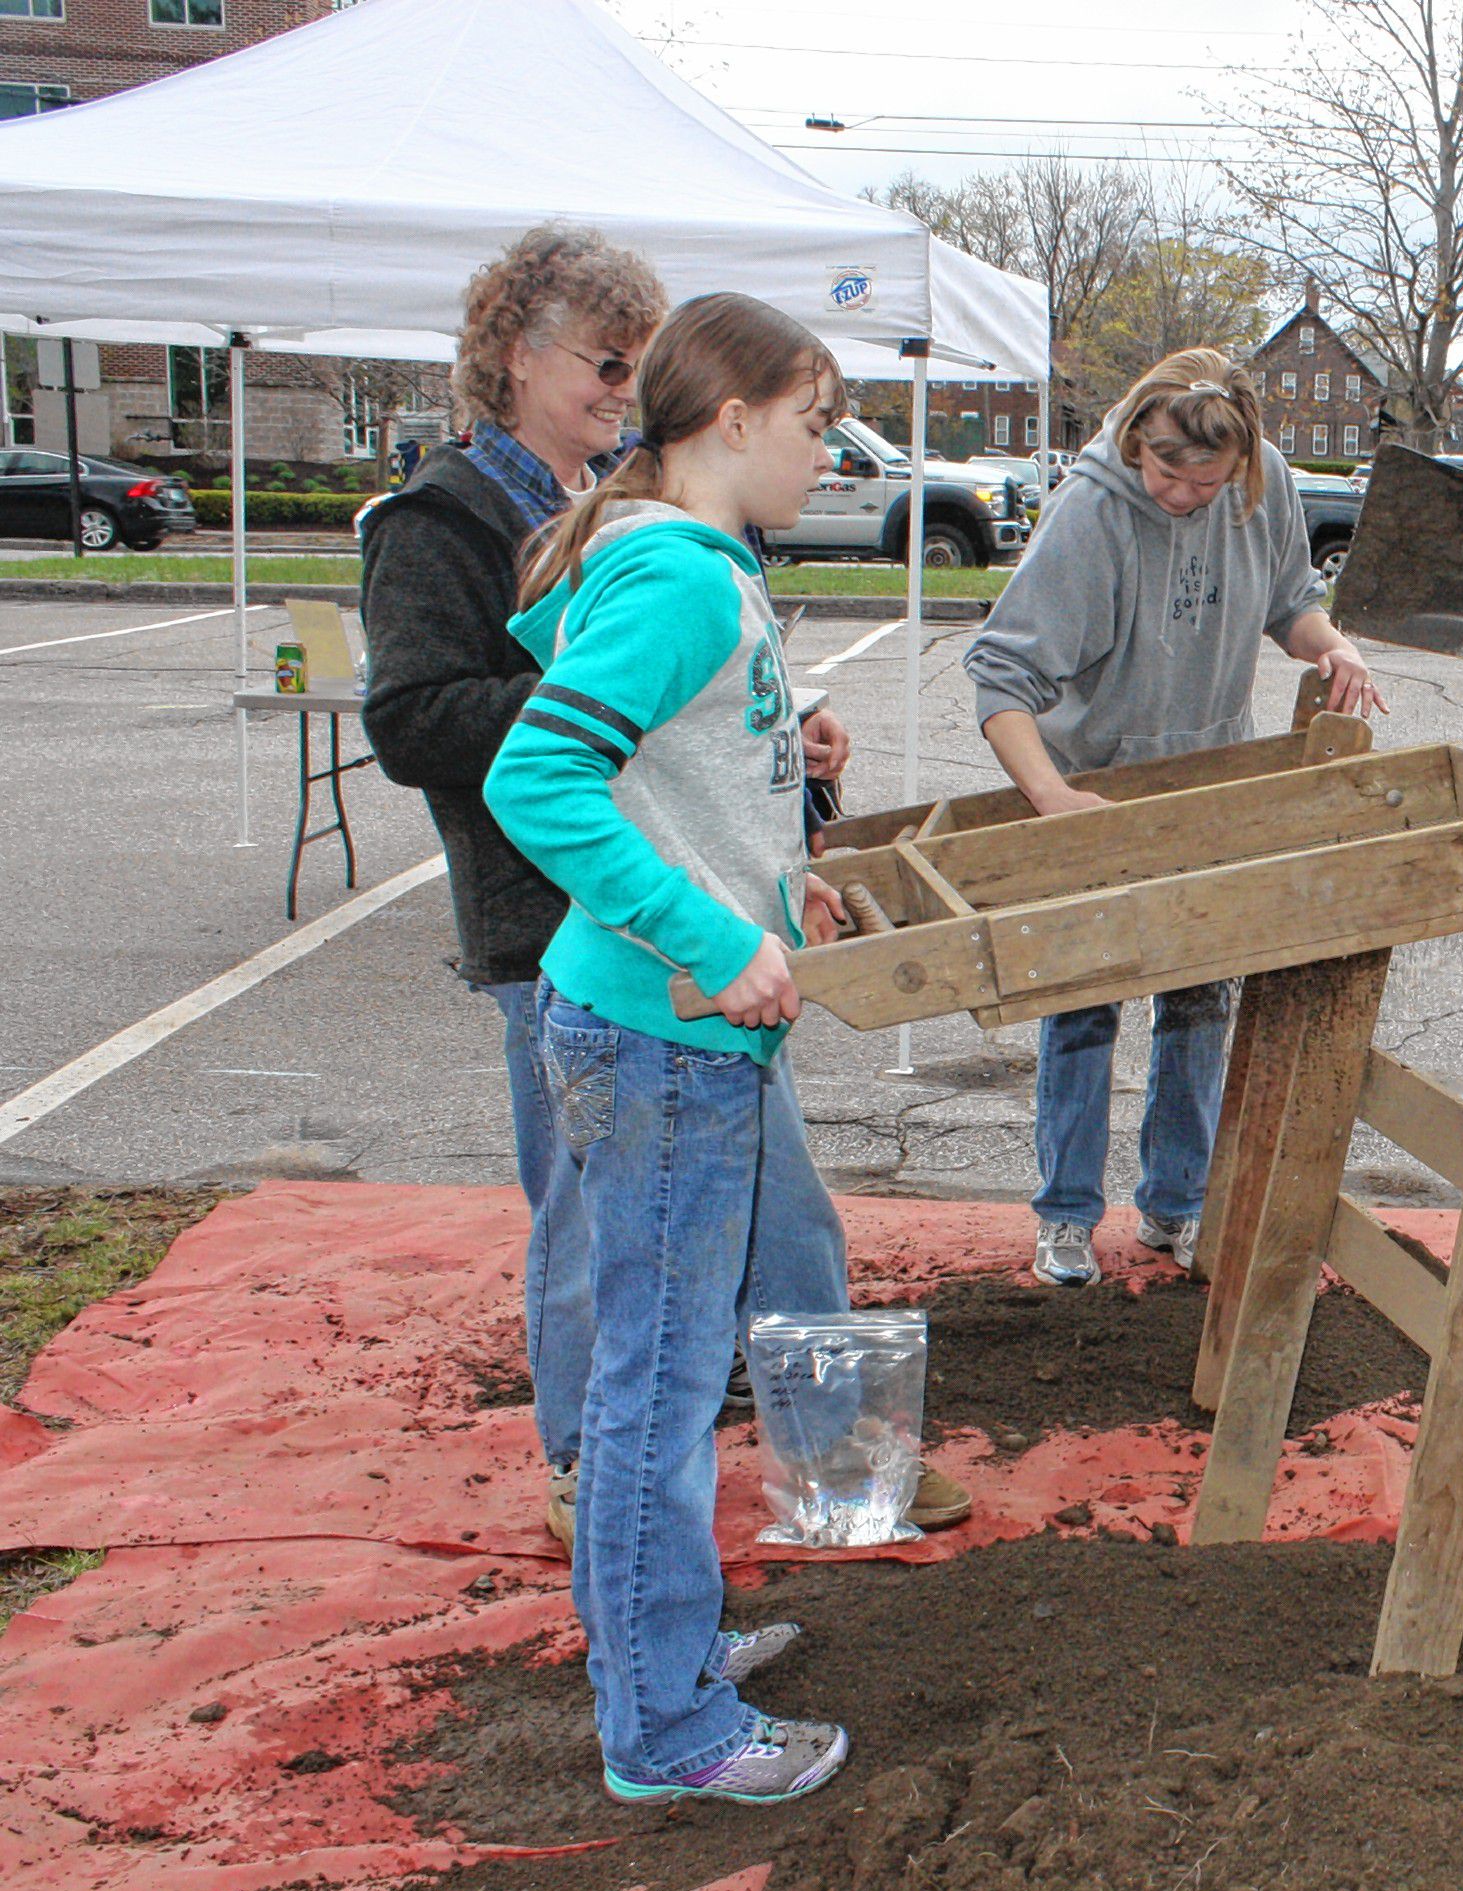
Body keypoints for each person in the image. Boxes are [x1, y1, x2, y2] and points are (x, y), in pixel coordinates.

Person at [360, 228, 967, 1547]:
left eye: (639, 368)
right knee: (611, 1267)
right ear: (519, 359)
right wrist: (631, 702)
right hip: (573, 934)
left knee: (774, 1219)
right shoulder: (454, 519)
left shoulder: (644, 523)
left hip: (686, 938)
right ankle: (602, 1483)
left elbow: (668, 738)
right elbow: (426, 725)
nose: (625, 392)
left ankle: (830, 1457)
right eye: (607, 363)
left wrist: (751, 741)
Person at [485, 291, 869, 1806]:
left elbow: (676, 784)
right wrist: (719, 945)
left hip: (666, 1027)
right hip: (661, 1034)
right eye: (813, 424)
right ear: (730, 422)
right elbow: (543, 782)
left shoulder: (688, 562)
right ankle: (664, 1727)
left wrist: (783, 883)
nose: (826, 455)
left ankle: (666, 1651)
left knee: (667, 1377)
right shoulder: (681, 579)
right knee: (657, 1395)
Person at [962, 349, 1381, 1287]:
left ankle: (1177, 1203)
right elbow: (1000, 678)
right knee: (1082, 1000)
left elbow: (1291, 606)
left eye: (1207, 480)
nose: (1186, 496)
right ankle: (1066, 1215)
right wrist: (1053, 798)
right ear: (1136, 442)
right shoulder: (1092, 510)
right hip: (1096, 786)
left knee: (1199, 999)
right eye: (1167, 475)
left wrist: (1333, 645)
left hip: (1205, 786)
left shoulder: (1261, 480)